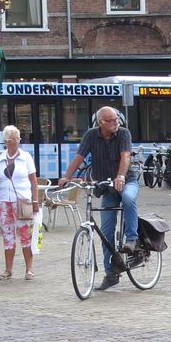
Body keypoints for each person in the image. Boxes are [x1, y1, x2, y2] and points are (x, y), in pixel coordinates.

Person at [63, 106, 139, 291]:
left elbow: (126, 156)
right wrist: (66, 176)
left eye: (116, 119)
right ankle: (111, 273)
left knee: (128, 199)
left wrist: (120, 176)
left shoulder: (123, 133)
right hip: (106, 188)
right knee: (106, 231)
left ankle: (132, 239)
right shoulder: (91, 136)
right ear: (100, 122)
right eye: (111, 120)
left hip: (126, 180)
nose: (116, 123)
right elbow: (79, 157)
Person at [0, 125, 39, 281]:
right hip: (3, 201)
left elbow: (33, 181)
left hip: (22, 200)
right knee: (7, 236)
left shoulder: (25, 157)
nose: (16, 141)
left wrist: (35, 201)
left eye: (18, 138)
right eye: (13, 138)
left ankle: (29, 269)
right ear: (6, 141)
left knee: (26, 235)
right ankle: (8, 269)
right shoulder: (0, 158)